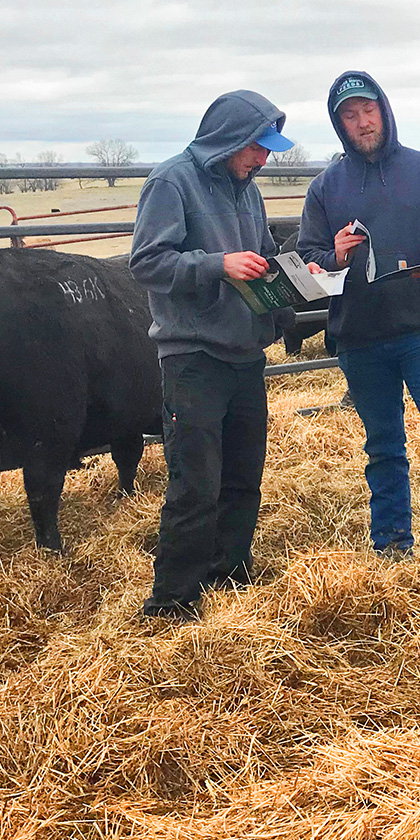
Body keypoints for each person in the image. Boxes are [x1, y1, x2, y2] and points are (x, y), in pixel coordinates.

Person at [295, 71, 420, 557]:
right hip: (359, 337)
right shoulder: (324, 188)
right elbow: (307, 259)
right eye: (350, 115)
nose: (362, 122)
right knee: (383, 446)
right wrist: (334, 255)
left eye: (368, 110)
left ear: (384, 110)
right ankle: (393, 545)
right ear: (339, 124)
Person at [129, 89, 295, 618]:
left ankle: (230, 572)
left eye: (268, 150)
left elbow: (262, 258)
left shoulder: (249, 191)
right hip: (193, 356)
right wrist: (216, 265)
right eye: (257, 147)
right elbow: (147, 262)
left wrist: (296, 274)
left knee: (243, 475)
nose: (263, 159)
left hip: (245, 350)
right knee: (196, 483)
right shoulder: (171, 182)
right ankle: (172, 599)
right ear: (230, 139)